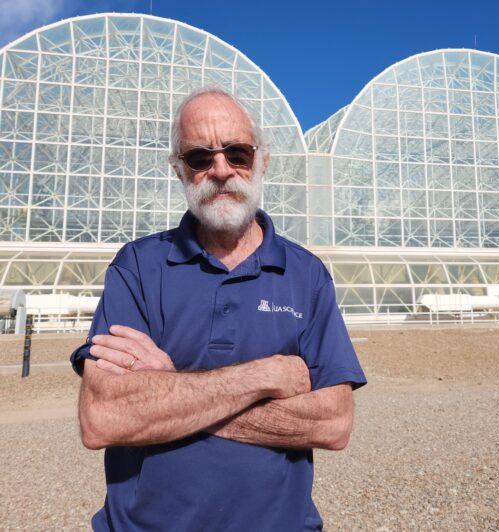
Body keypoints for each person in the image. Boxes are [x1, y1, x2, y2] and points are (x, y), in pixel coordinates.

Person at [71, 87, 367, 531]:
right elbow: (102, 418)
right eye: (199, 157)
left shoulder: (306, 276)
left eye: (237, 153)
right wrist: (265, 376)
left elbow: (333, 425)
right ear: (179, 171)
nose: (221, 170)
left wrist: (169, 391)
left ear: (262, 159)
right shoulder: (137, 266)